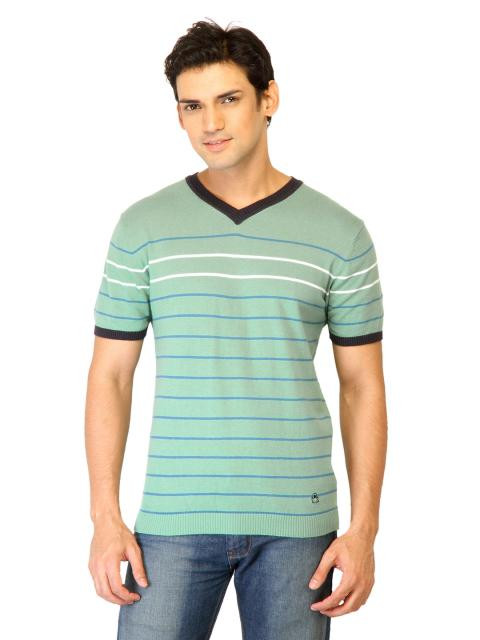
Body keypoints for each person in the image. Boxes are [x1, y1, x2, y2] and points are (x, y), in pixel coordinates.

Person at [85, 18, 388, 640]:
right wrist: (104, 518)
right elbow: (110, 376)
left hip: (299, 526)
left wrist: (364, 531)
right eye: (192, 106)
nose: (211, 123)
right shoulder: (142, 229)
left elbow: (362, 386)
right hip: (171, 519)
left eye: (228, 99)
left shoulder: (341, 234)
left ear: (268, 98)